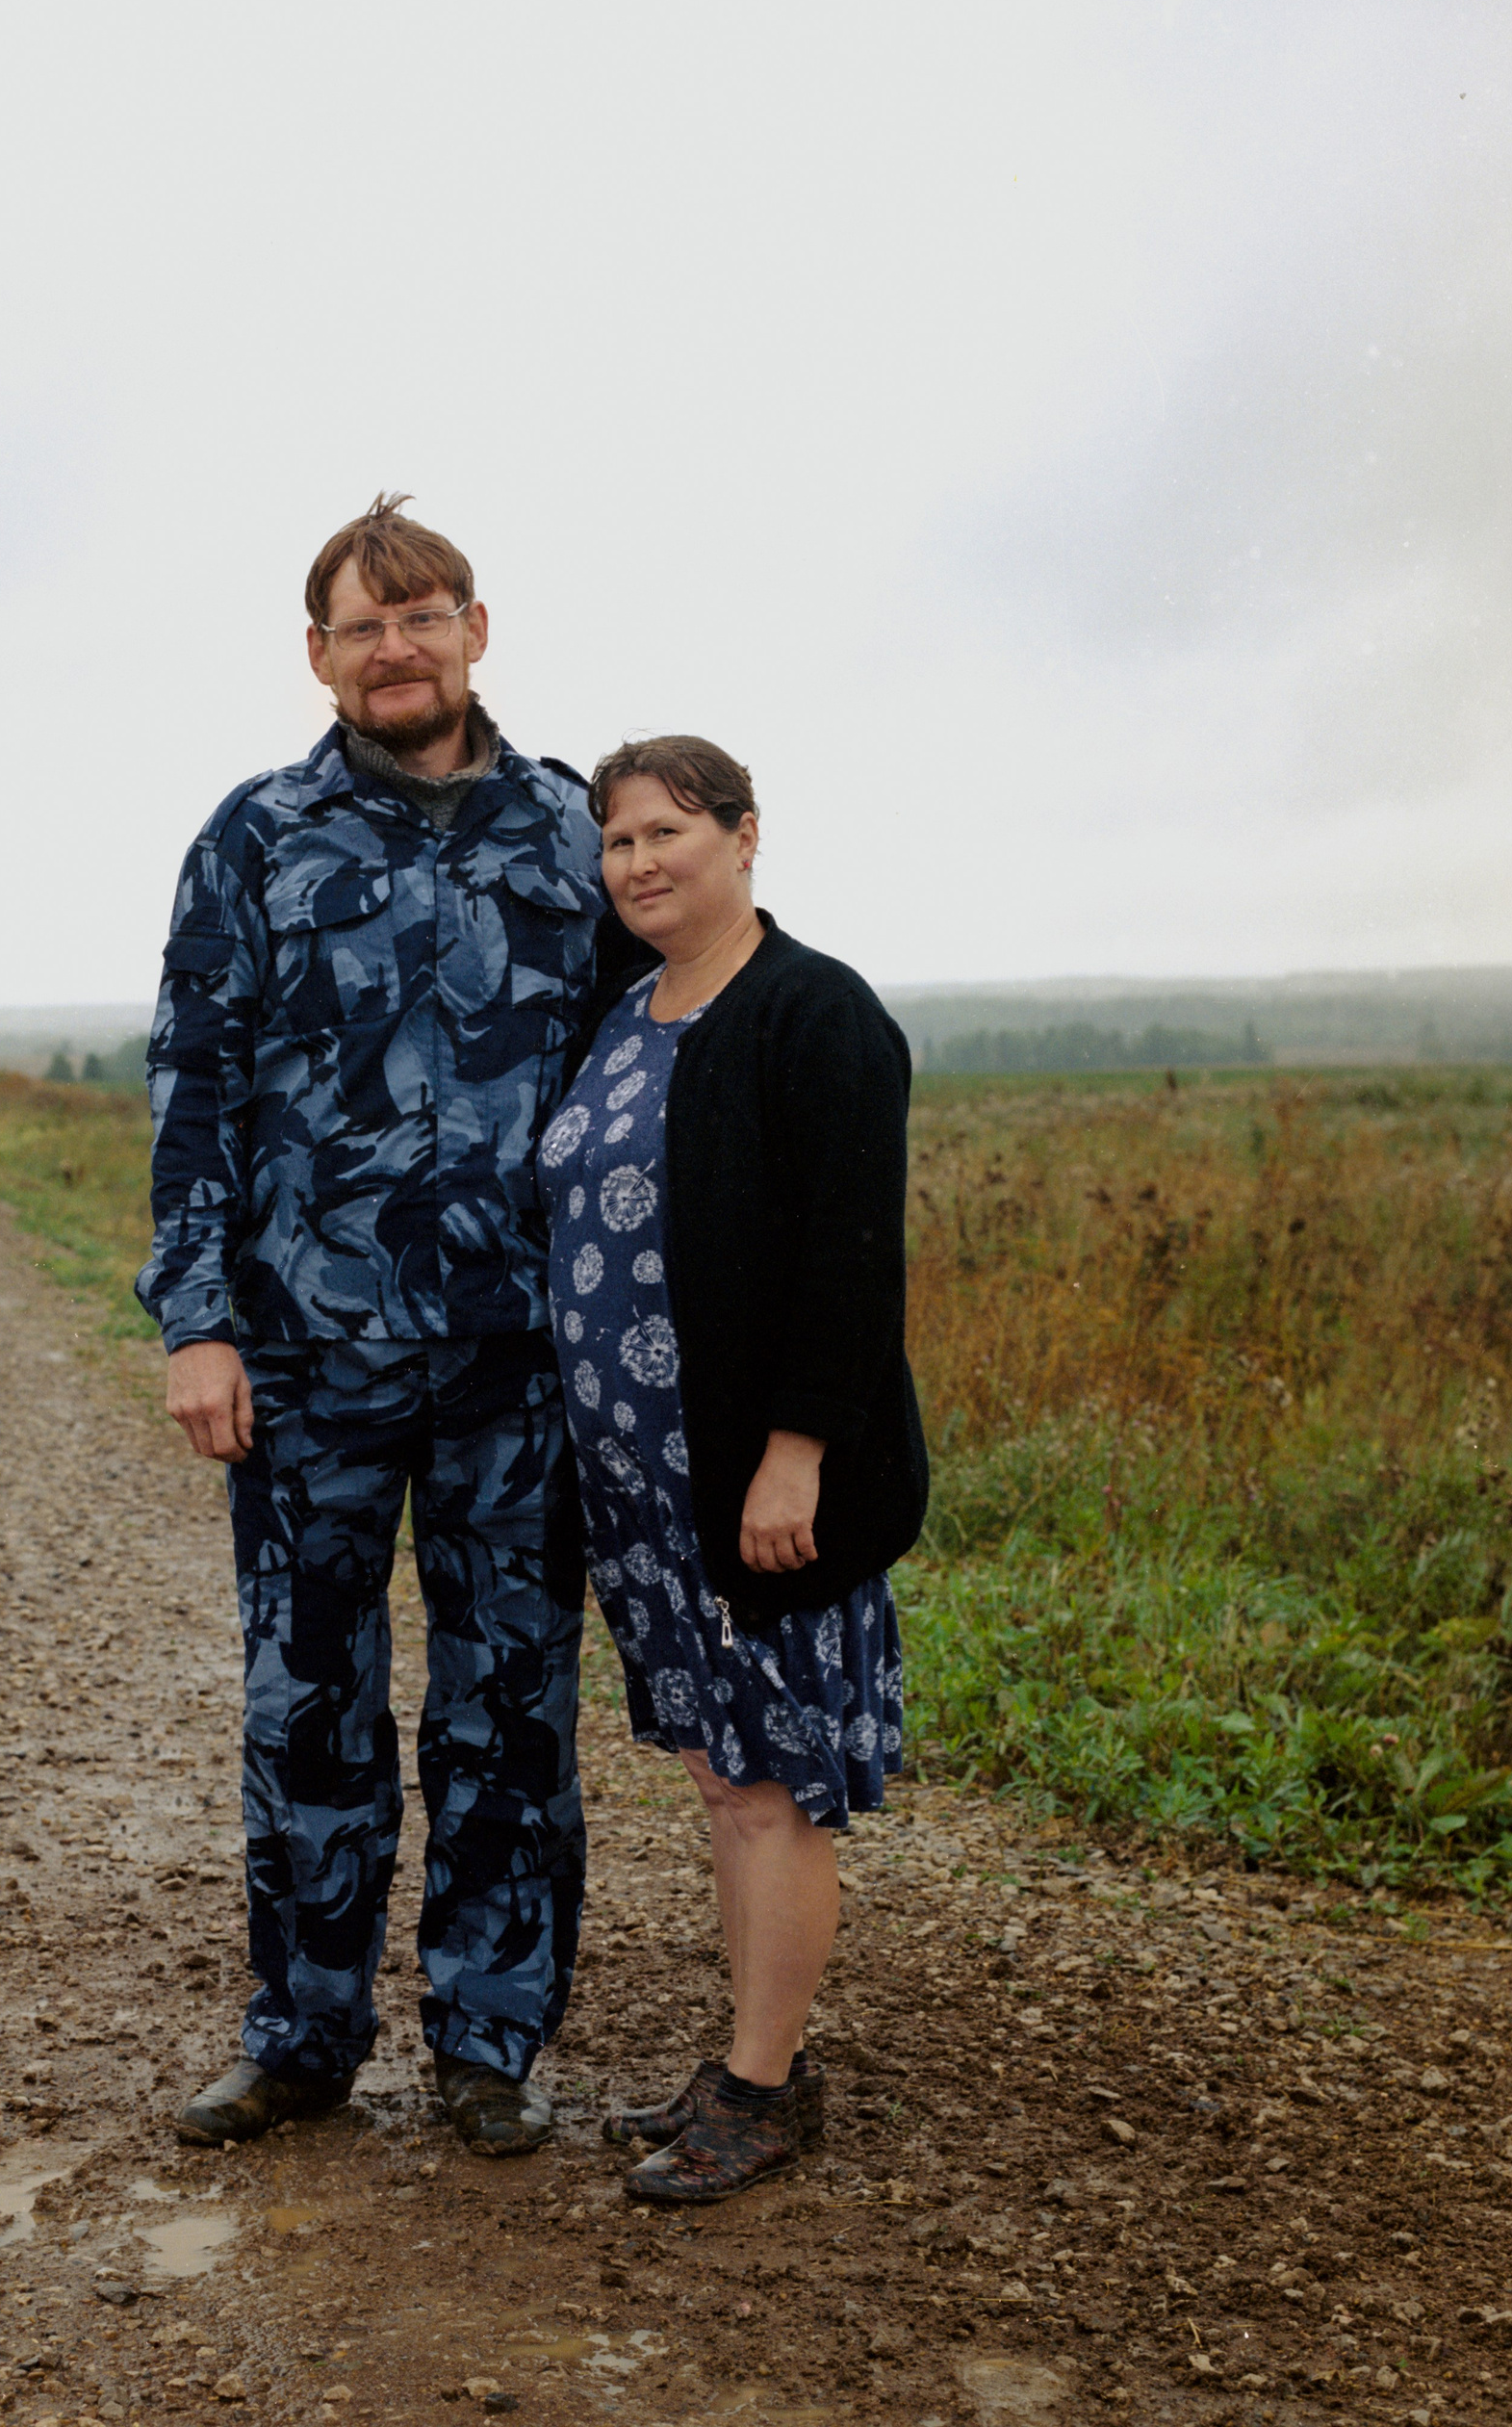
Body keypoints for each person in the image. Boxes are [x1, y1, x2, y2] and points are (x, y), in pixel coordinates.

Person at [138, 494, 622, 2156]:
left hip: (520, 1370)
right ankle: (301, 2035)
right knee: (309, 1708)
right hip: (304, 1361)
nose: (394, 648)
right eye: (362, 625)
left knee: (512, 1712)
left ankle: (491, 2044)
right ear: (319, 655)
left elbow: (647, 1078)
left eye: (422, 618)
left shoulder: (577, 835)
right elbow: (193, 1086)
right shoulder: (258, 837)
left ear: (476, 630)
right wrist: (197, 1318)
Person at [537, 734, 927, 2204]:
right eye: (618, 841)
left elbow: (853, 1262)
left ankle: (766, 2088)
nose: (639, 863)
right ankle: (751, 2063)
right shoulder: (624, 1012)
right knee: (723, 1780)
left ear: (746, 836)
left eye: (668, 834)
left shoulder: (813, 1014)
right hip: (644, 1494)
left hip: (759, 1490)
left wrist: (796, 1457)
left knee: (770, 1788)